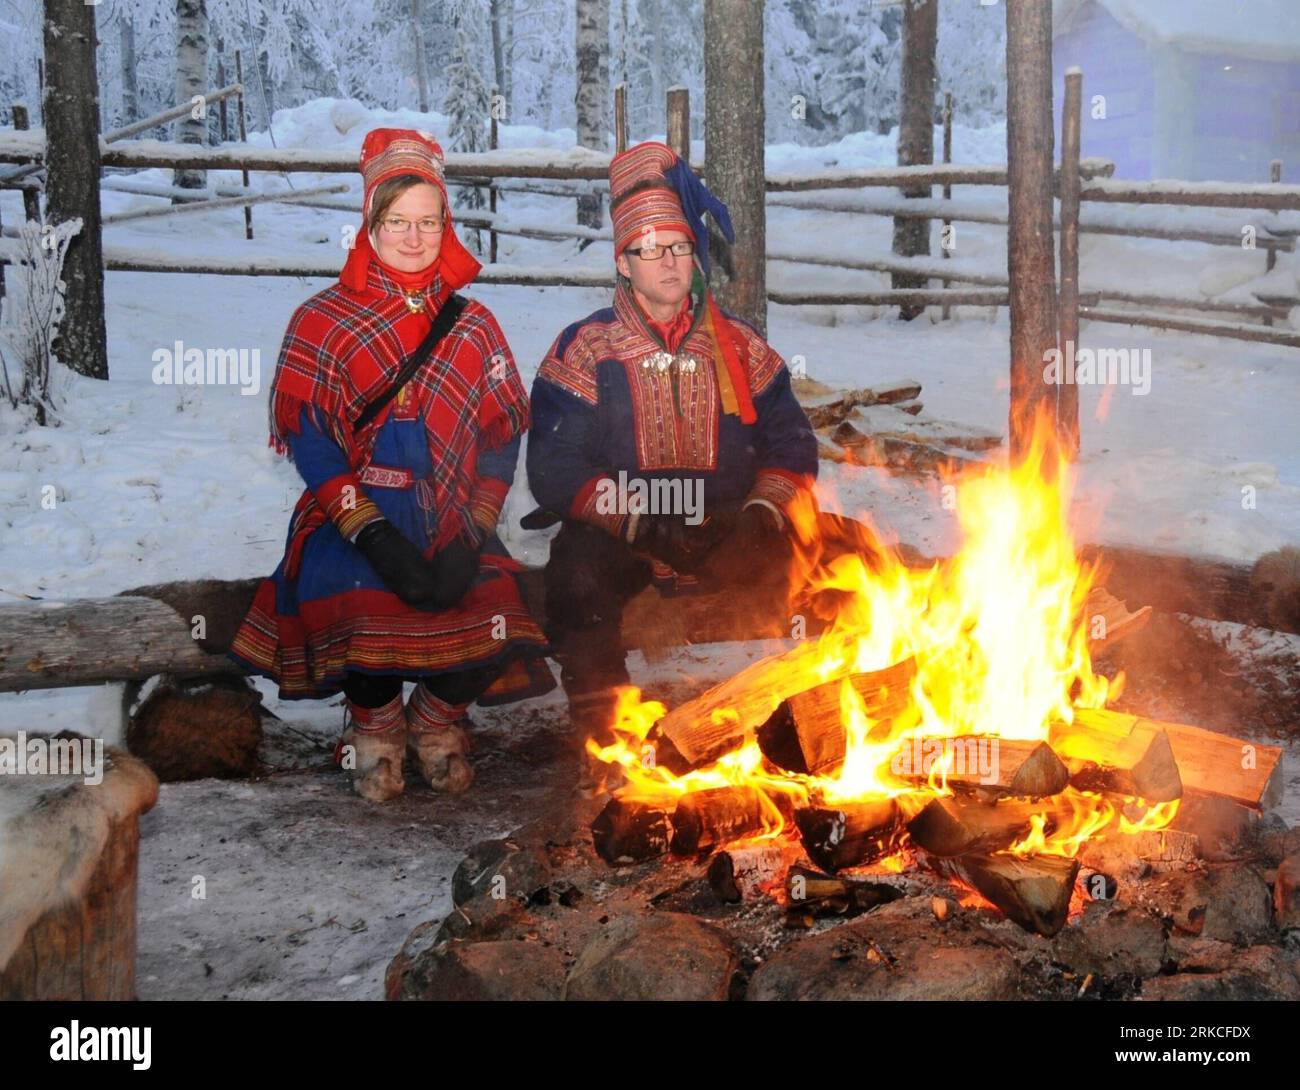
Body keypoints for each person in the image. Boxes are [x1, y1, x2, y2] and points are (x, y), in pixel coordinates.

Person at [230, 128, 551, 803]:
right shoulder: (323, 320)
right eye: (398, 222)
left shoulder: (473, 324)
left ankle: (435, 717)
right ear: (370, 224)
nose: (414, 237)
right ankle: (375, 722)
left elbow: (499, 433)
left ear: (446, 226)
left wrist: (474, 530)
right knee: (355, 599)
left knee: (495, 602)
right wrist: (372, 533)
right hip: (352, 511)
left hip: (452, 509)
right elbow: (312, 442)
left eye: (428, 222)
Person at [527, 139, 818, 775]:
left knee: (838, 564)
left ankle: (823, 723)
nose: (667, 262)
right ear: (622, 262)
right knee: (578, 575)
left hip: (725, 523)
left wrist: (761, 513)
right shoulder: (586, 348)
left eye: (679, 246)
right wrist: (640, 521)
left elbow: (792, 440)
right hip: (625, 528)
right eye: (649, 249)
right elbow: (554, 466)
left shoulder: (737, 345)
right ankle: (608, 735)